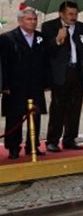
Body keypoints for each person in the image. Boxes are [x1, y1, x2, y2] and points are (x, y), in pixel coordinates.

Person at [42, 1, 83, 152]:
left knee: (75, 107)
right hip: (60, 74)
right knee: (58, 108)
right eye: (70, 14)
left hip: (78, 73)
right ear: (61, 14)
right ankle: (52, 140)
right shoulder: (49, 27)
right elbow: (45, 51)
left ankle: (70, 138)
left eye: (75, 14)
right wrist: (58, 39)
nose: (73, 17)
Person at [0, 8, 50, 159]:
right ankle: (13, 147)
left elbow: (46, 62)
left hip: (35, 85)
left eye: (35, 19)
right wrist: (4, 85)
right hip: (15, 86)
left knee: (35, 116)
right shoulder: (7, 38)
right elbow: (2, 63)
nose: (33, 22)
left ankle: (32, 145)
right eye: (29, 19)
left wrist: (47, 82)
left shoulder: (41, 38)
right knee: (14, 117)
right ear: (20, 21)